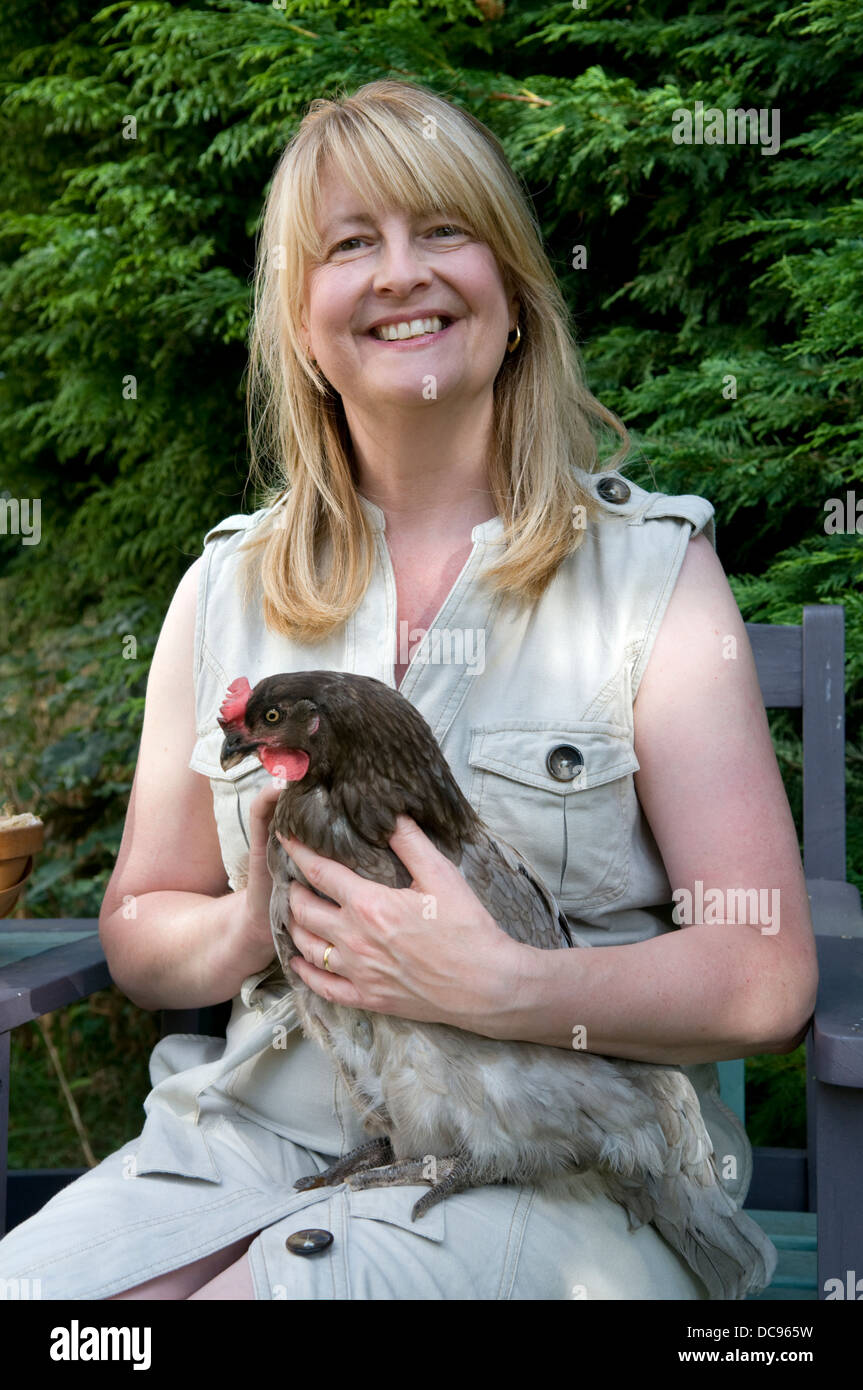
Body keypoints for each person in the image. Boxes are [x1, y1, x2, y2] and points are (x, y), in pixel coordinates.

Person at [0, 79, 817, 1301]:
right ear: (304, 326)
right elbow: (141, 922)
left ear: (515, 297)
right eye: (348, 245)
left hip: (545, 1164)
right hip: (243, 1145)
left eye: (443, 230)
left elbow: (763, 977)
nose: (399, 274)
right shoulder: (226, 585)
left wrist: (505, 984)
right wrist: (248, 920)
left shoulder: (651, 576)